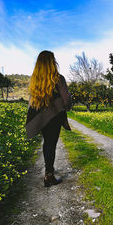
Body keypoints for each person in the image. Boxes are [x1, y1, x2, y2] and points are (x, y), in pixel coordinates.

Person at [26, 50, 71, 187]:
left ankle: (49, 171)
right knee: (51, 144)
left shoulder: (35, 79)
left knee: (47, 143)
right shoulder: (58, 78)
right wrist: (67, 105)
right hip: (54, 117)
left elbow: (31, 100)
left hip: (41, 117)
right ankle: (49, 175)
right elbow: (66, 99)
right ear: (52, 62)